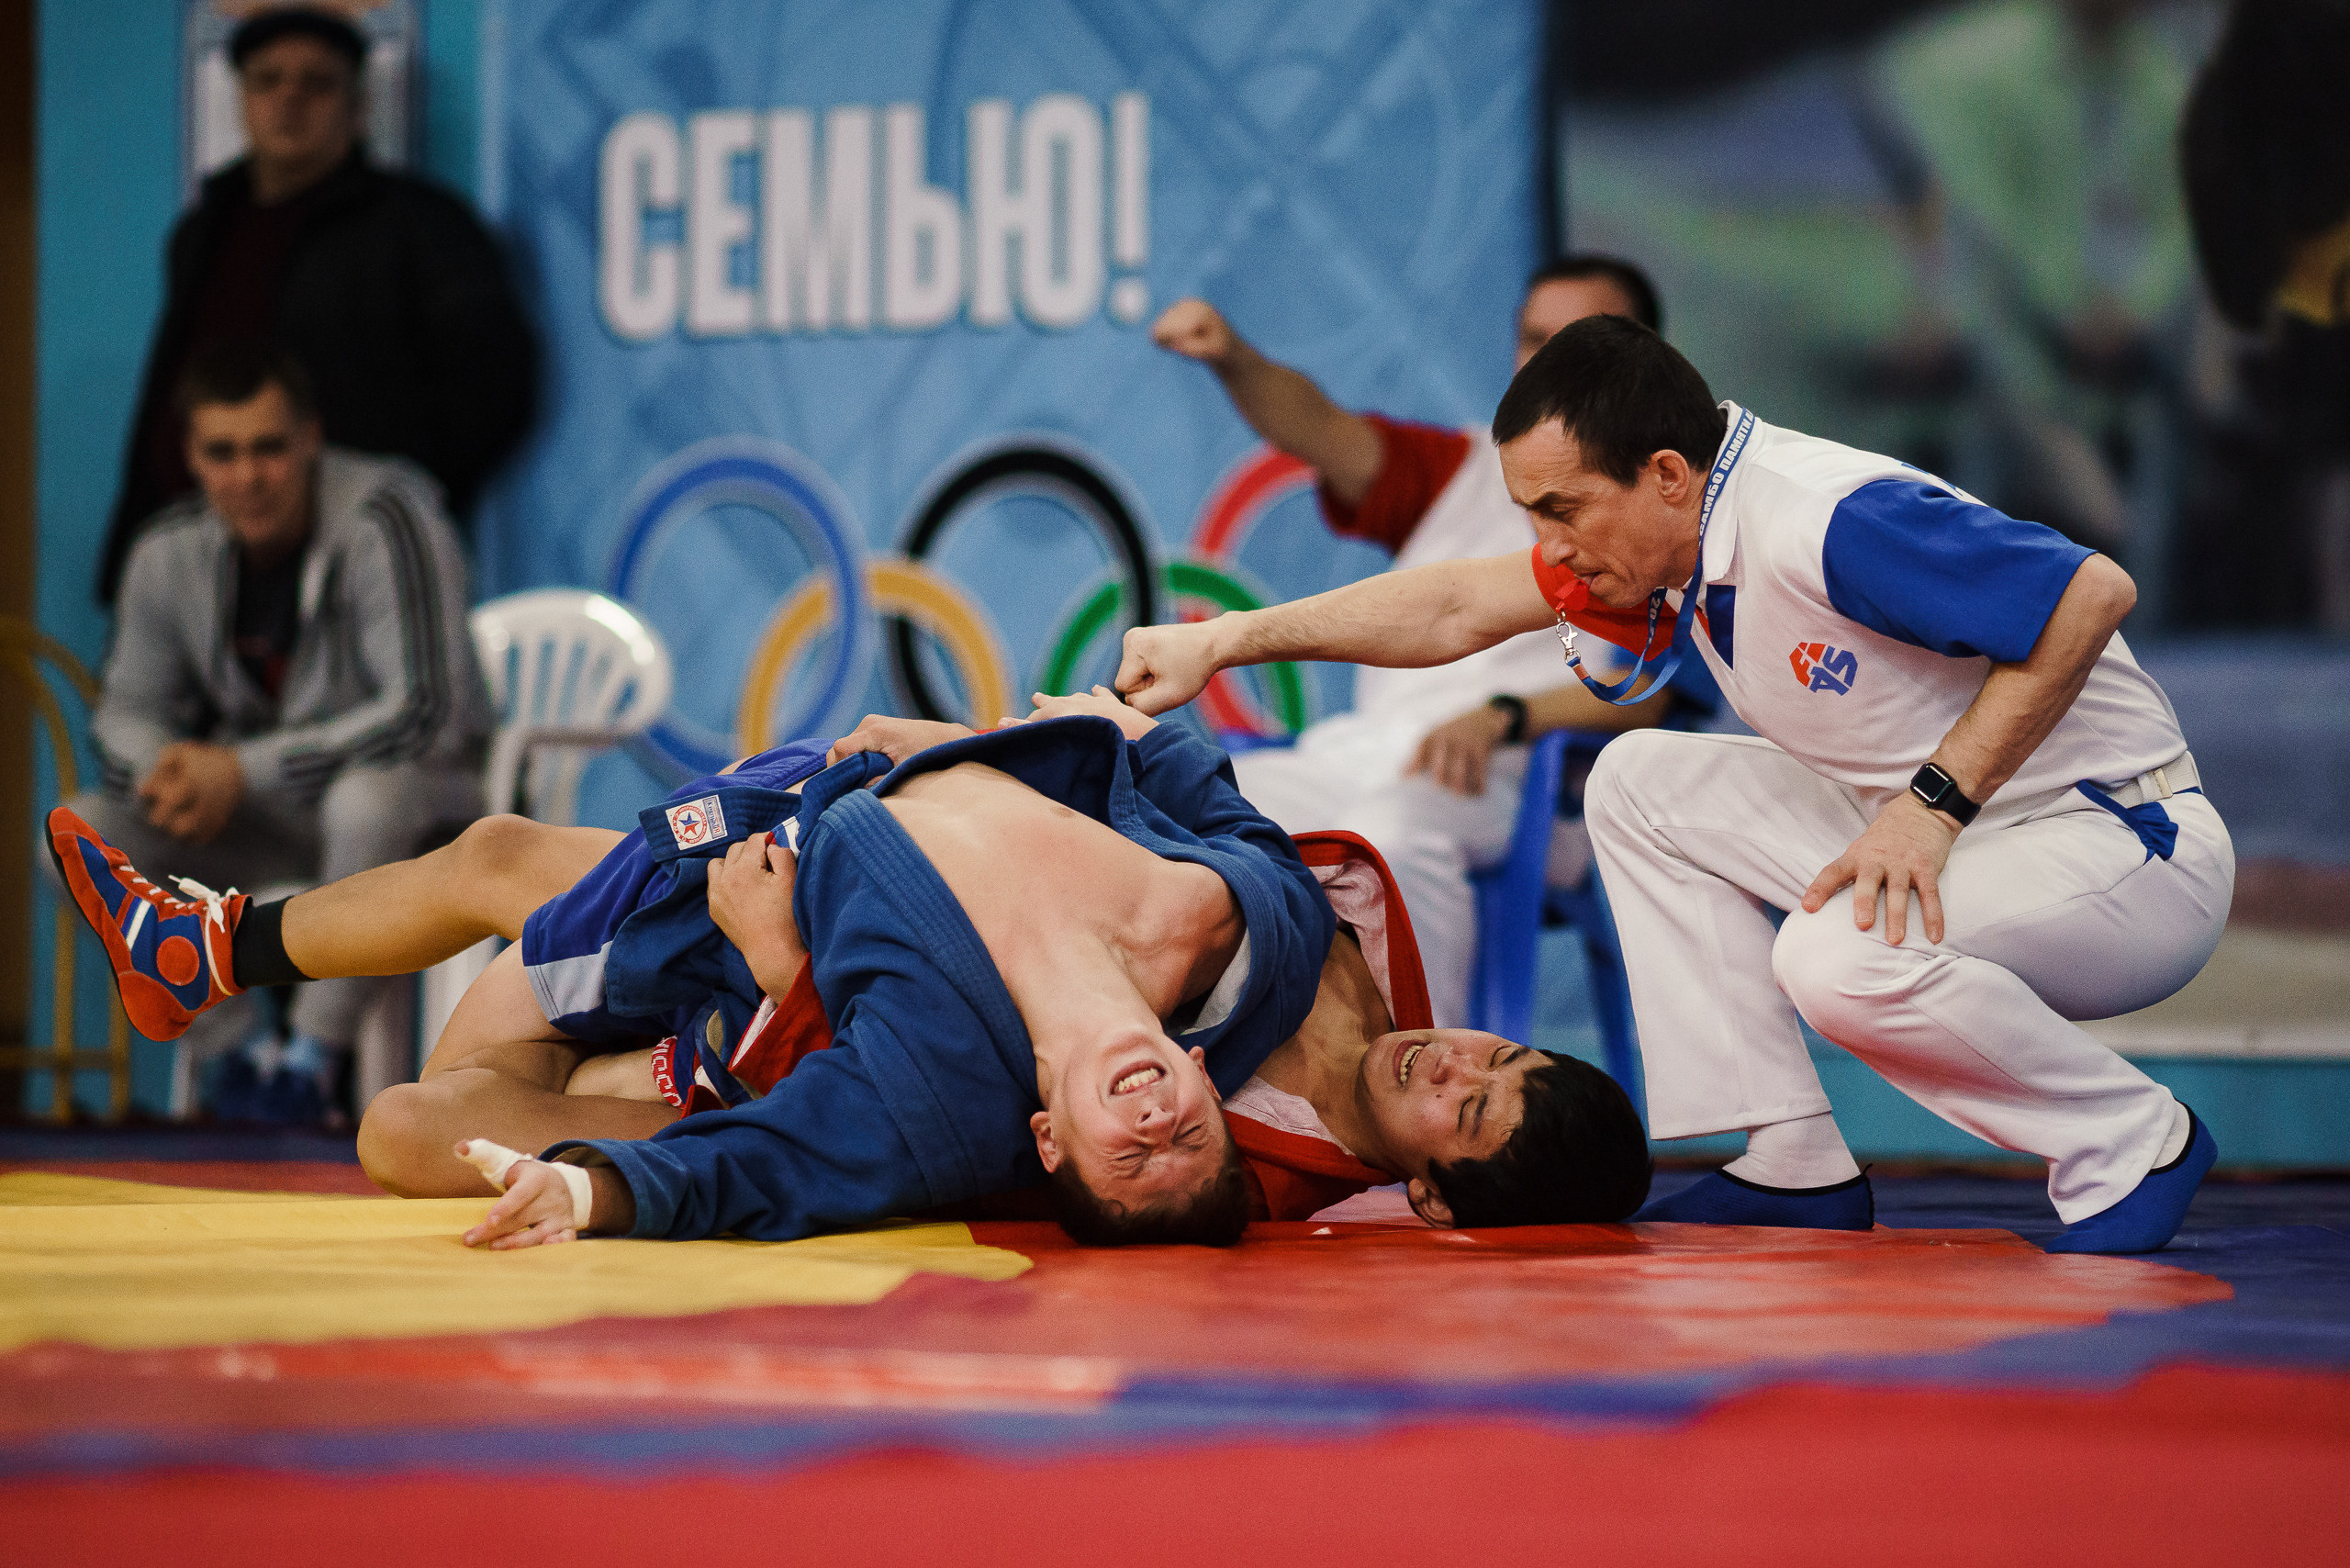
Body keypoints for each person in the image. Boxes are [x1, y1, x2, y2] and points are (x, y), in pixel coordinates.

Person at [1113, 315, 2233, 1256]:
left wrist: (1929, 806)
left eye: (1562, 510)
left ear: (1663, 474)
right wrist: (1228, 643)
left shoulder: (1819, 517)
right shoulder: (1673, 537)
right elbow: (1454, 605)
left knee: (1834, 954)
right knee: (1641, 781)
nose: (1551, 544)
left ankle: (2129, 1139)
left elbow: (2090, 592)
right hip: (1966, 830)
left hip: (2123, 845)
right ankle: (1791, 1158)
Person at [52, 695, 1336, 1246]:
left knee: (405, 1128)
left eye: (1135, 1159)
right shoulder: (1240, 934)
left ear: (1051, 1140)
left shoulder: (934, 1107)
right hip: (773, 844)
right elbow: (1200, 785)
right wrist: (971, 740)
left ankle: (205, 951)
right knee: (498, 859)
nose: (1161, 1125)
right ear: (1201, 1084)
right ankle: (202, 951)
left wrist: (601, 1200)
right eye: (1192, 1140)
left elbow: (764, 1171)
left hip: (734, 952)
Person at [1149, 255, 1681, 1025]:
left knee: (1387, 836)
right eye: (1535, 339)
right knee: (1191, 815)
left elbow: (1653, 694)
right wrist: (1235, 358)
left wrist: (1502, 715)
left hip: (1522, 778)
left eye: (1581, 339)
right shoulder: (1462, 472)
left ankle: (1432, 1087)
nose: (1551, 361)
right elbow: (1323, 435)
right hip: (1370, 752)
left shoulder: (1665, 495)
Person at [65, 339, 490, 1120]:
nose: (247, 475)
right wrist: (174, 774)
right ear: (191, 456)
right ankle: (235, 1059)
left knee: (366, 798)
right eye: (221, 453)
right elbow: (123, 711)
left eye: (268, 448)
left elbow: (425, 710)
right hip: (273, 824)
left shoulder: (387, 514)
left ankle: (310, 1065)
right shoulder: (169, 550)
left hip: (423, 822)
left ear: (310, 438)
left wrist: (241, 772)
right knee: (81, 834)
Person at [98, 6, 536, 604]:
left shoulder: (418, 225)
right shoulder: (204, 230)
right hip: (202, 561)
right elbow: (172, 393)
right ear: (242, 99)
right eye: (268, 80)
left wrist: (381, 508)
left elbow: (495, 385)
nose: (290, 99)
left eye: (317, 83)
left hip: (353, 567)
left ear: (358, 109)